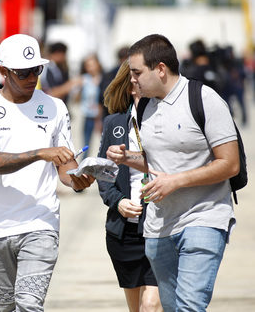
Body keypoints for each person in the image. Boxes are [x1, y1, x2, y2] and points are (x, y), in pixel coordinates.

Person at [106, 34, 239, 312]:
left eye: (137, 73)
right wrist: (127, 158)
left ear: (161, 69)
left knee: (189, 306)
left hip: (204, 217)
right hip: (159, 227)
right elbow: (157, 163)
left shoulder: (204, 99)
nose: (132, 80)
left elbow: (230, 164)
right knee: (171, 307)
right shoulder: (145, 106)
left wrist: (176, 181)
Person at [0, 33, 94, 311]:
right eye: (23, 72)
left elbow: (65, 165)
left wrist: (78, 179)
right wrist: (39, 153)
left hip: (41, 223)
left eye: (36, 70)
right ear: (3, 71)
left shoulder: (55, 107)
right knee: (7, 308)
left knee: (28, 305)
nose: (31, 78)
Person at [97, 60, 162, 312]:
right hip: (124, 232)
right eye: (134, 81)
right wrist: (118, 201)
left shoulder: (165, 119)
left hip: (160, 228)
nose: (139, 86)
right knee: (136, 308)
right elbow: (104, 175)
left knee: (150, 305)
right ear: (129, 85)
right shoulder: (114, 123)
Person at [76, 53, 104, 155]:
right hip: (87, 115)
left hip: (101, 116)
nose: (90, 67)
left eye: (92, 64)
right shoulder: (84, 79)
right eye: (88, 65)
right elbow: (76, 99)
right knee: (86, 144)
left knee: (100, 144)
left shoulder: (104, 78)